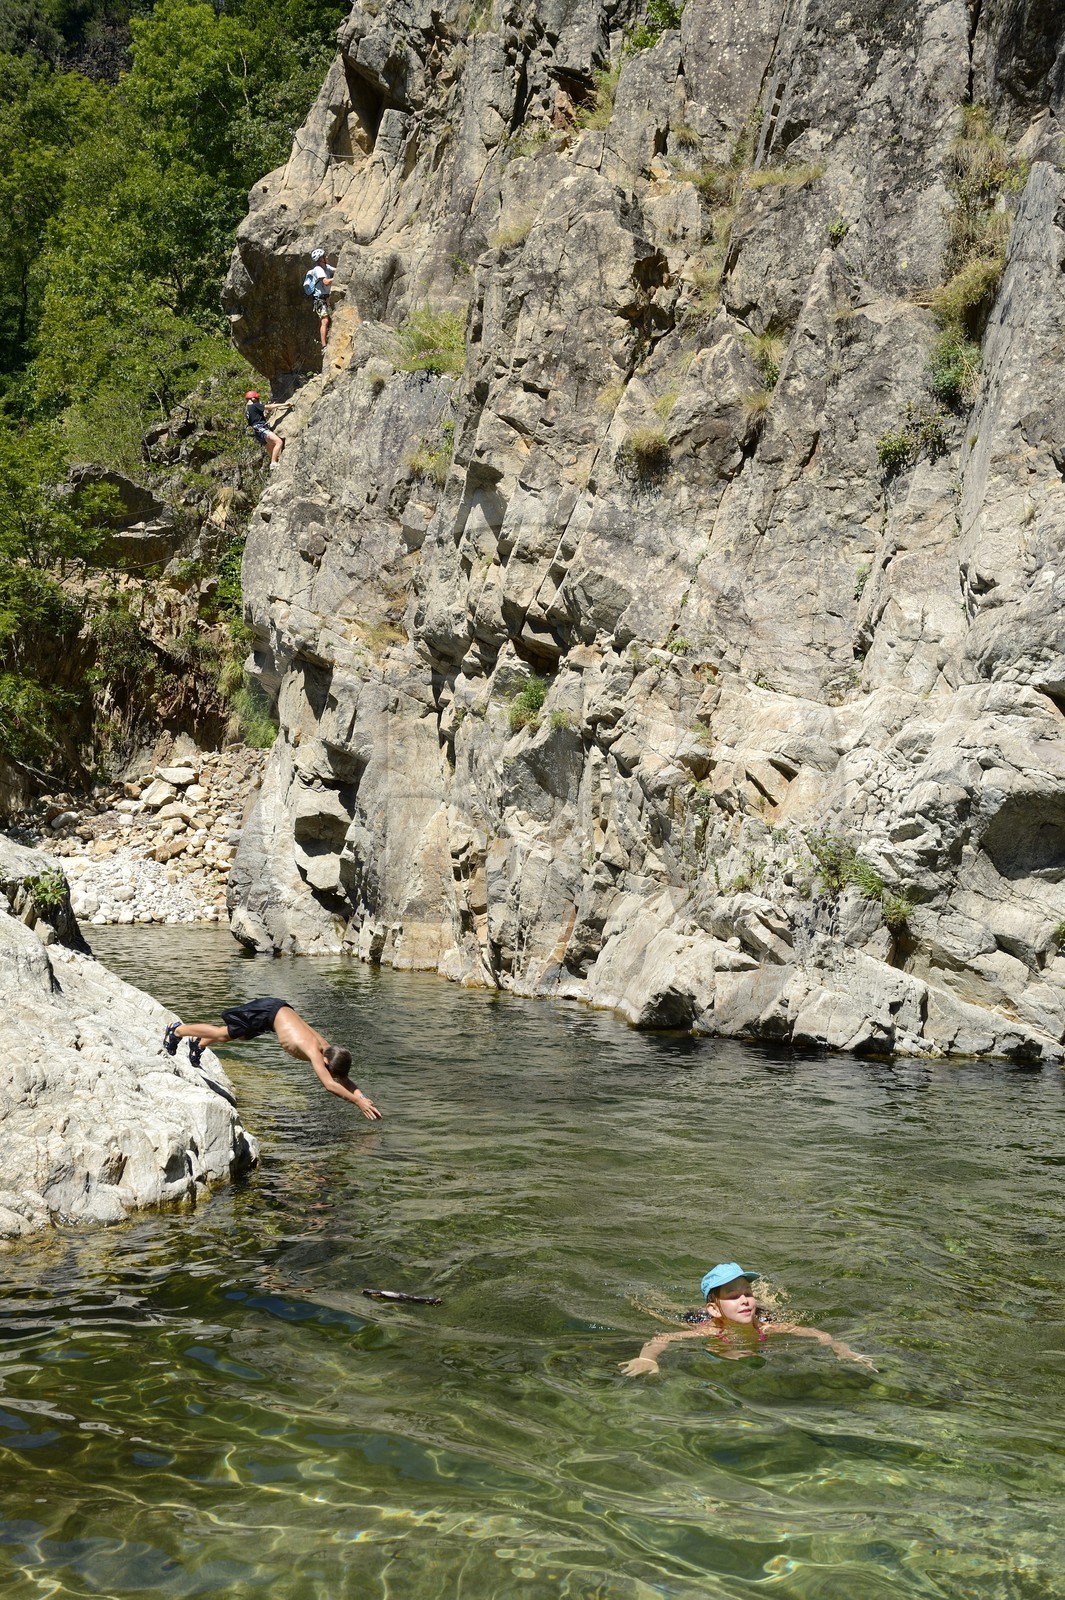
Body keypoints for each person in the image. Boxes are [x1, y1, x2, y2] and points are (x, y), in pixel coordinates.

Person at [619, 1262, 875, 1376]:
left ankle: (763, 1295)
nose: (743, 1300)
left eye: (747, 1294)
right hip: (702, 1318)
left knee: (769, 1307)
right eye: (733, 1296)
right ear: (716, 1309)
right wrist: (647, 1358)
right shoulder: (708, 1330)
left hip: (755, 1319)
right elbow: (663, 1337)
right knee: (662, 1310)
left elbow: (820, 1334)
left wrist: (841, 1349)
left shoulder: (768, 1325)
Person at [164, 997, 381, 1119]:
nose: (331, 1075)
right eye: (330, 1071)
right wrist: (356, 1102)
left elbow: (341, 1079)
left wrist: (363, 1097)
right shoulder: (314, 1051)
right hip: (269, 1012)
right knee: (224, 1033)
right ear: (326, 1063)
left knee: (239, 1035)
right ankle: (178, 1031)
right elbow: (329, 1085)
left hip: (276, 1012)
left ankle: (198, 1043)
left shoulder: (327, 1048)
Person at [244, 390, 284, 468]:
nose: (258, 401)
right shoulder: (254, 405)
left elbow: (258, 414)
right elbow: (268, 407)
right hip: (261, 428)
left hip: (257, 432)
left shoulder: (248, 410)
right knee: (278, 442)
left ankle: (275, 462)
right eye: (257, 399)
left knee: (272, 449)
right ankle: (273, 463)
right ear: (253, 399)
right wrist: (284, 404)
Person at [306, 247, 335, 350]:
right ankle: (324, 346)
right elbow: (326, 282)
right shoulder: (318, 269)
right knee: (325, 320)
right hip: (320, 299)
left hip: (326, 297)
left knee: (330, 319)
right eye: (324, 256)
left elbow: (337, 270)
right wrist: (335, 278)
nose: (326, 257)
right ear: (320, 259)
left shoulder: (326, 267)